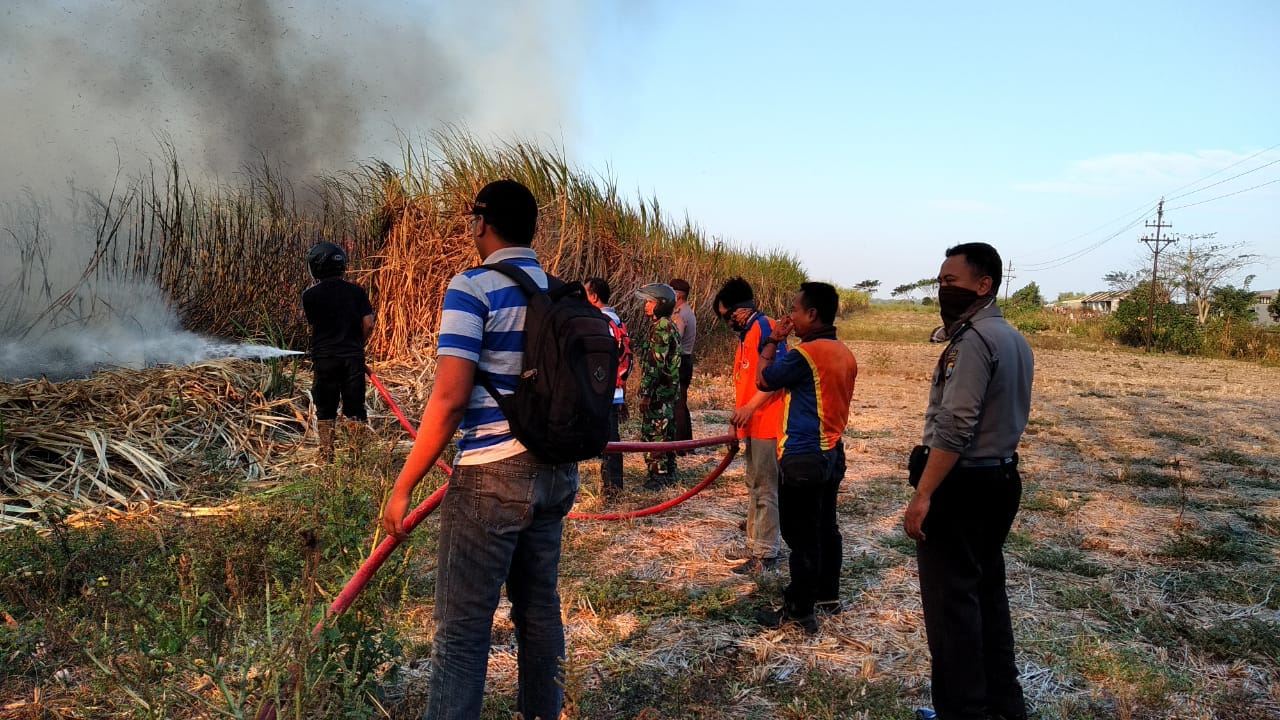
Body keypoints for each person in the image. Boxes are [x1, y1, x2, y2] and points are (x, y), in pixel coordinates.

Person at [381, 180, 577, 720]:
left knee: (462, 633)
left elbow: (448, 399)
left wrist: (403, 488)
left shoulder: (473, 287)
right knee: (539, 614)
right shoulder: (559, 292)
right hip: (556, 473)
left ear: (480, 224)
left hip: (491, 477)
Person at [903, 242, 1034, 720]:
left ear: (985, 284)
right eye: (940, 281)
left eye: (951, 281)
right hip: (999, 478)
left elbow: (956, 425)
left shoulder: (974, 341)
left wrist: (924, 494)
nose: (943, 289)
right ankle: (1003, 705)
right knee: (986, 597)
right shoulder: (1012, 337)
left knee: (952, 610)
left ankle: (963, 711)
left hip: (962, 487)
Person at [753, 282, 857, 633]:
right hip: (831, 453)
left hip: (802, 455)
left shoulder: (806, 355)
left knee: (801, 536)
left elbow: (765, 380)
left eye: (795, 311)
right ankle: (828, 596)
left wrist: (771, 341)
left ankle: (799, 610)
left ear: (813, 314)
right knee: (827, 527)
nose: (791, 317)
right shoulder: (844, 353)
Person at [715, 277, 785, 574]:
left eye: (726, 316)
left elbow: (777, 377)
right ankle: (754, 545)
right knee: (754, 484)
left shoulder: (766, 328)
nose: (727, 323)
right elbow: (744, 383)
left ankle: (767, 554)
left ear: (740, 310)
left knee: (766, 488)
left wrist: (750, 409)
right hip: (751, 424)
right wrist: (738, 420)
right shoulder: (746, 335)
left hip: (769, 422)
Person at [301, 241, 375, 463]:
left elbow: (314, 323)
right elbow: (368, 323)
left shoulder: (309, 296)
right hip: (353, 359)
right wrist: (356, 345)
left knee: (326, 406)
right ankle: (355, 456)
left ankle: (326, 455)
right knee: (355, 406)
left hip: (324, 360)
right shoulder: (357, 292)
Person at [585, 277, 632, 496]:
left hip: (603, 391)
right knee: (611, 438)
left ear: (594, 296)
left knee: (609, 440)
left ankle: (613, 487)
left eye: (586, 294)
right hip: (616, 389)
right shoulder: (618, 321)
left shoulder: (600, 322)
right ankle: (612, 484)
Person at [634, 282, 681, 489]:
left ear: (661, 304)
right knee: (666, 431)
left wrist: (645, 393)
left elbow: (655, 363)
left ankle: (658, 477)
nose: (646, 305)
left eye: (650, 302)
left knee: (655, 434)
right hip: (667, 393)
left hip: (659, 393)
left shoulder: (662, 327)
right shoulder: (667, 325)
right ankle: (669, 473)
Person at [669, 278, 697, 444]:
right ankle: (687, 442)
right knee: (682, 402)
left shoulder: (680, 315)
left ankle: (680, 443)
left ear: (678, 294)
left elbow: (676, 338)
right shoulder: (688, 311)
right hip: (687, 359)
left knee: (678, 403)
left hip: (680, 361)